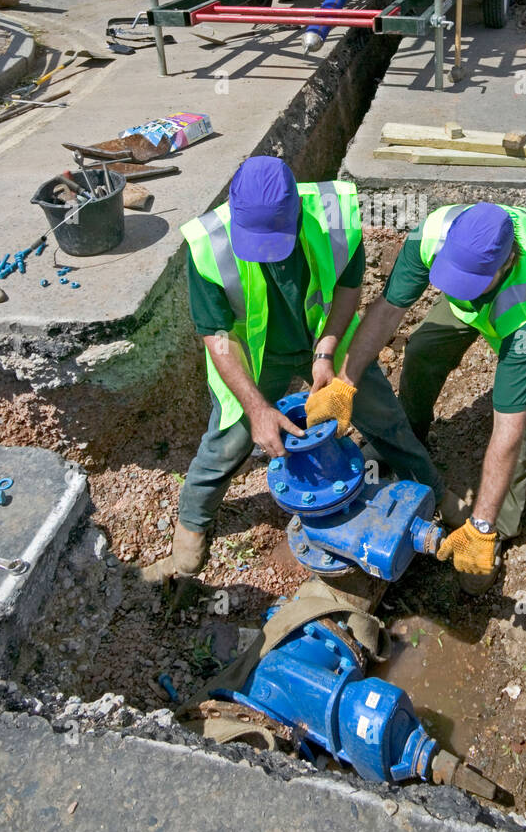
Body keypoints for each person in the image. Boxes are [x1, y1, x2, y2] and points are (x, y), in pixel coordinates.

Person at [147, 156, 442, 579]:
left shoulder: (335, 216)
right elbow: (217, 336)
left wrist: (326, 352)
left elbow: (347, 286)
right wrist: (256, 409)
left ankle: (433, 490)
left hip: (324, 336)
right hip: (253, 352)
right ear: (234, 211)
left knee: (382, 416)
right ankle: (192, 522)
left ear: (296, 214)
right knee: (227, 443)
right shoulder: (208, 244)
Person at [306, 202, 526, 595]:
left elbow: (507, 428)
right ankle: (411, 437)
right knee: (423, 349)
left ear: (506, 263)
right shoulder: (436, 234)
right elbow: (388, 309)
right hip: (476, 294)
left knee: (517, 430)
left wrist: (482, 525)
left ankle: (492, 531)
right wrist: (345, 382)